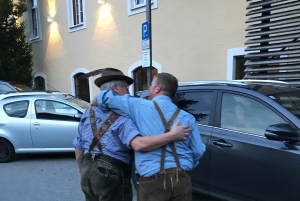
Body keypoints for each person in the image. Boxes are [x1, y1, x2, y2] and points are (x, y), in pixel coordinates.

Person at [73, 68, 190, 201]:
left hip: (87, 171)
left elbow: (78, 146)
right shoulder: (123, 116)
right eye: (126, 88)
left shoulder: (88, 113)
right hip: (111, 173)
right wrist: (173, 135)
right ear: (116, 88)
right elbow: (138, 144)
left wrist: (81, 171)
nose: (129, 92)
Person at [96, 72, 206, 201]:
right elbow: (199, 150)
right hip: (181, 179)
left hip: (153, 180)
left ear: (157, 88)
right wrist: (185, 164)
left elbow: (103, 97)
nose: (149, 89)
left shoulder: (139, 106)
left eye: (151, 85)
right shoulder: (188, 117)